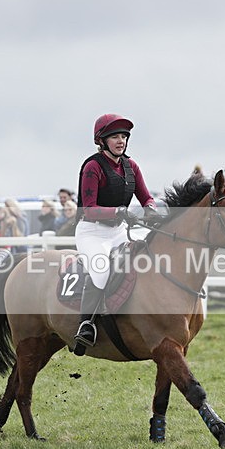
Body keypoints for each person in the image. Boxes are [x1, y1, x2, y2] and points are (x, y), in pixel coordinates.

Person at [73, 113, 161, 348]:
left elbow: (146, 197)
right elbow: (89, 209)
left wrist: (151, 210)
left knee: (150, 253)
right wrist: (119, 212)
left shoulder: (131, 166)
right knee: (101, 271)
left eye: (123, 136)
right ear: (102, 141)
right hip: (92, 232)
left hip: (119, 231)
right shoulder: (93, 167)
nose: (121, 140)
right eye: (114, 137)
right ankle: (87, 325)